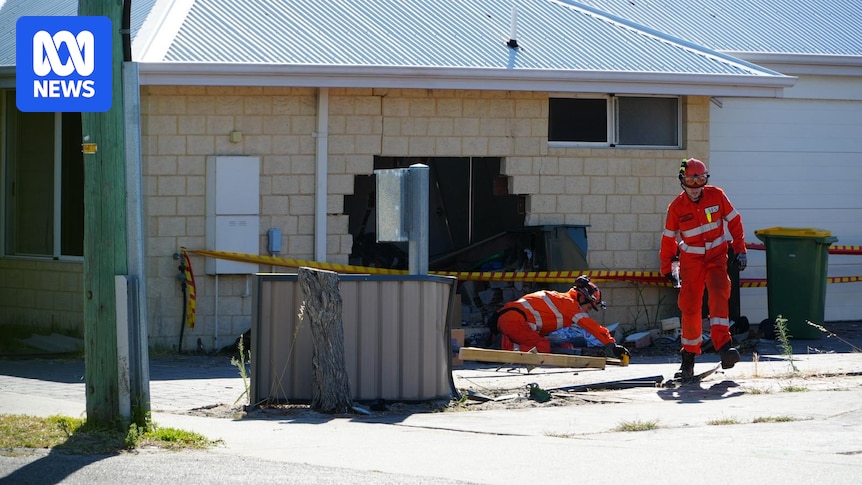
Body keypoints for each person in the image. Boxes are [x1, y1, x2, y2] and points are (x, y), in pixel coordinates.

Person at [660, 158, 747, 379]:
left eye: (700, 180)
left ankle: (725, 348)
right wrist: (667, 268)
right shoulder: (676, 208)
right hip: (691, 262)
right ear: (682, 181)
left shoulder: (717, 195)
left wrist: (740, 250)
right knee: (690, 306)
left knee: (719, 294)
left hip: (716, 258)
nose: (695, 187)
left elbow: (734, 221)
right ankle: (688, 359)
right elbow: (668, 239)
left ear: (705, 180)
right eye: (690, 181)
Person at [490, 276, 629, 359]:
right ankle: (504, 345)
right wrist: (611, 345)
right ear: (582, 298)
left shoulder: (562, 300)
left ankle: (501, 342)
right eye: (589, 307)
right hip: (514, 321)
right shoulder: (570, 304)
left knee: (543, 342)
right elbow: (591, 326)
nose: (588, 311)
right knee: (543, 347)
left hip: (509, 320)